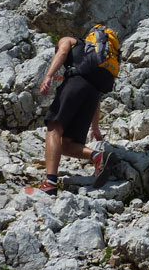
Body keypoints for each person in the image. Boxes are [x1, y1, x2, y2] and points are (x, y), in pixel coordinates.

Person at [31, 34, 116, 195]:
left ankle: (50, 183)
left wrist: (48, 76)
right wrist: (95, 127)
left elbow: (62, 53)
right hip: (92, 93)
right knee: (67, 145)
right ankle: (98, 157)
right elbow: (96, 98)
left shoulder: (68, 40)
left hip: (74, 85)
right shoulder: (92, 64)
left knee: (54, 128)